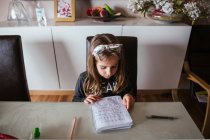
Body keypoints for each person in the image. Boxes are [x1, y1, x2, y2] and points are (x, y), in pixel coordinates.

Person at [72, 33, 136, 110]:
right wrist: (84, 100)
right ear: (94, 63)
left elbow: (131, 94)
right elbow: (75, 100)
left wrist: (128, 96)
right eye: (103, 67)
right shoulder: (83, 78)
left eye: (114, 66)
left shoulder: (124, 76)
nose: (109, 73)